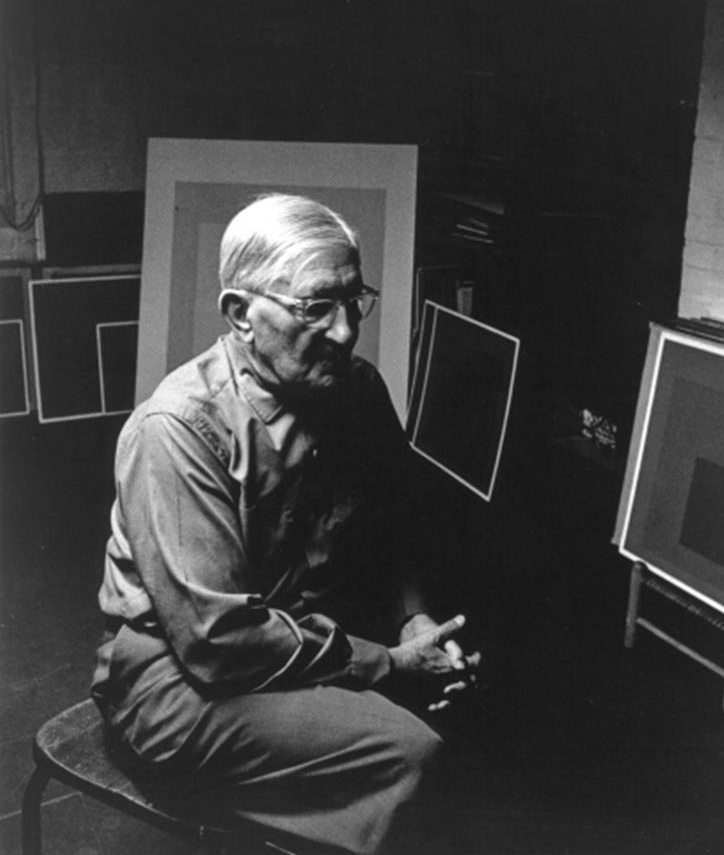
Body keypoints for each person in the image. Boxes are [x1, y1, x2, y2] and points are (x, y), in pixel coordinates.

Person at [92, 193, 480, 855]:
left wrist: (417, 621)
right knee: (411, 751)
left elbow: (396, 526)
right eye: (315, 307)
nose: (345, 329)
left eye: (354, 301)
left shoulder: (355, 390)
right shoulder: (178, 431)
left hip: (299, 639)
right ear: (241, 314)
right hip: (180, 678)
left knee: (456, 723)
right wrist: (385, 662)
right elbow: (219, 642)